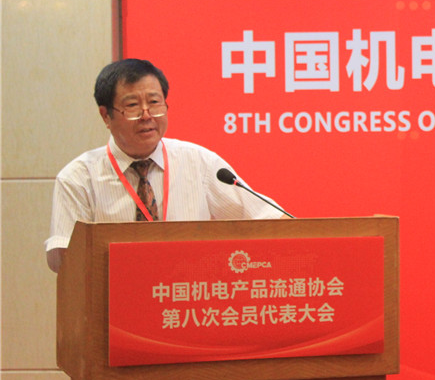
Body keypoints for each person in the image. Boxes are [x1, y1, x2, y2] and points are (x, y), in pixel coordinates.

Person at [45, 59, 287, 272]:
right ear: (106, 115)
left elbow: (269, 219)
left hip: (186, 297)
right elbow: (63, 258)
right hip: (111, 301)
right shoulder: (79, 178)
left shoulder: (199, 162)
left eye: (154, 102)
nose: (146, 115)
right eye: (132, 106)